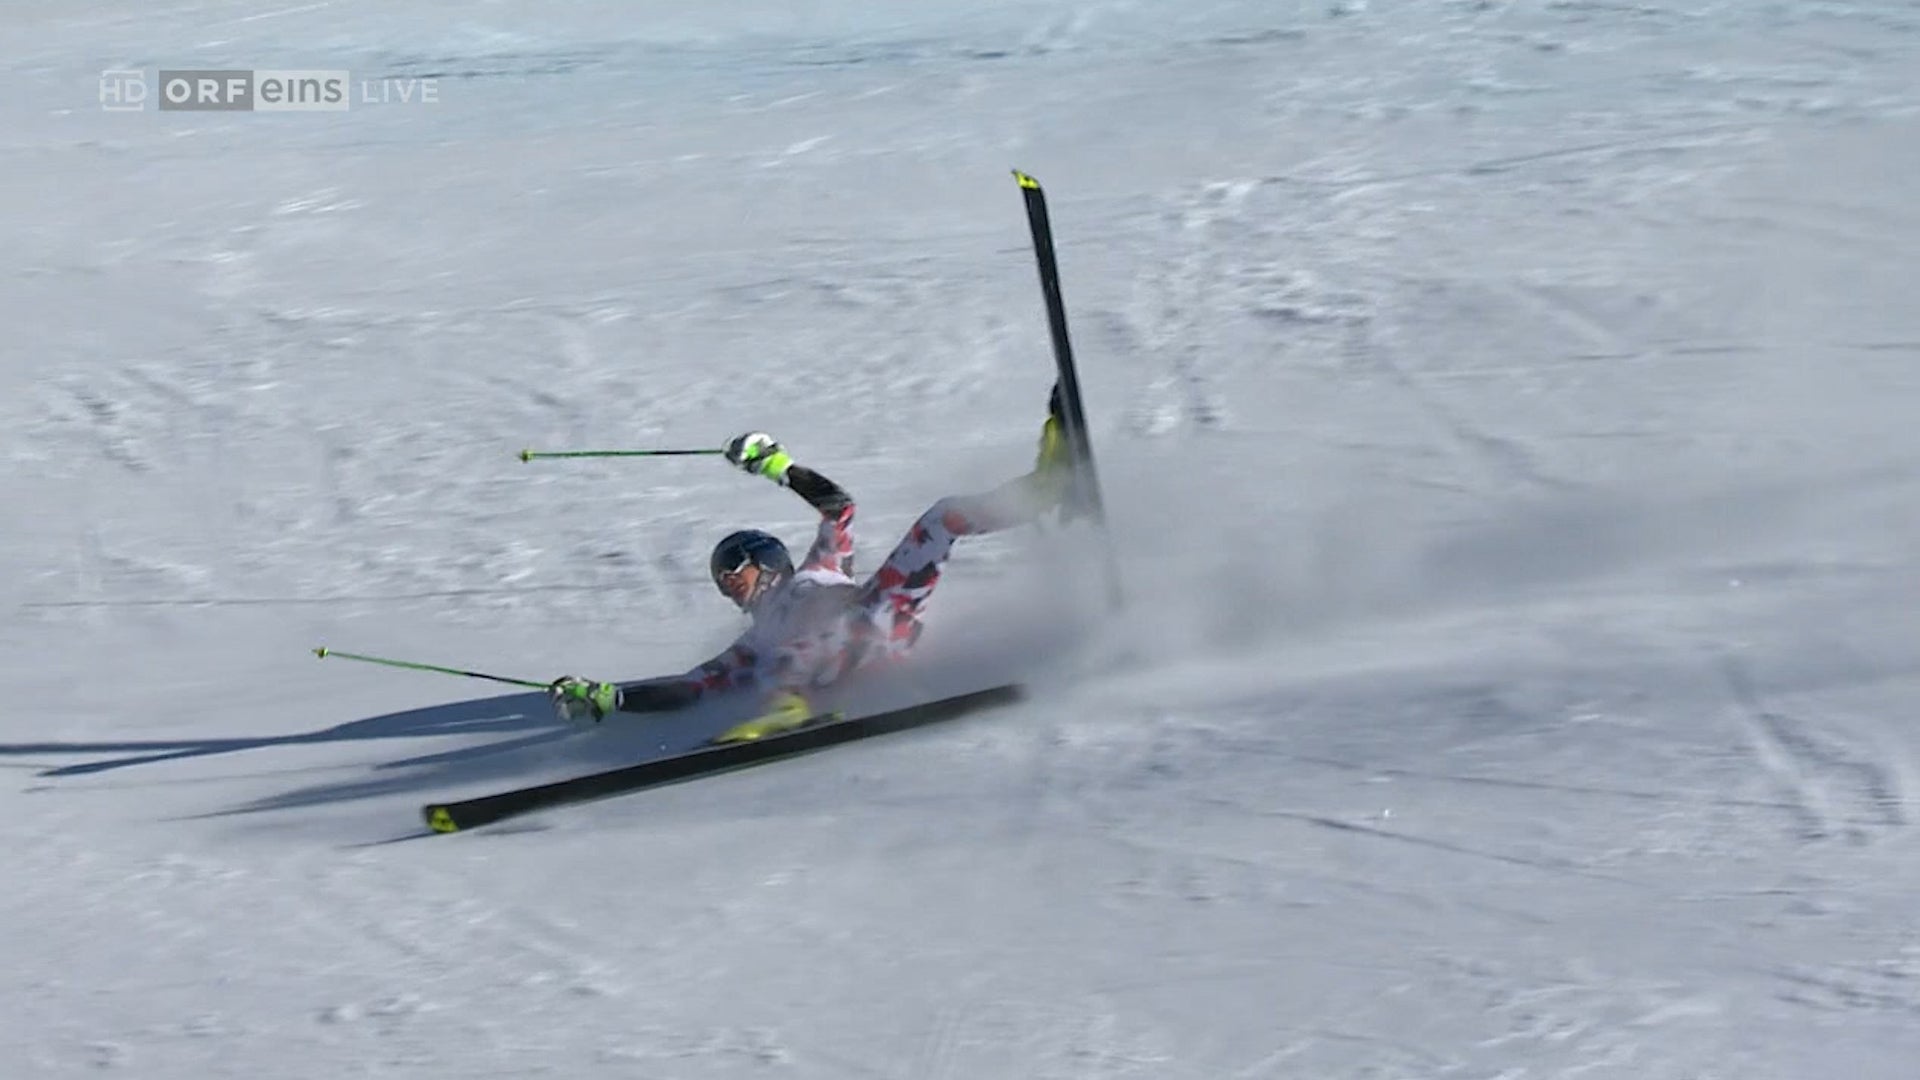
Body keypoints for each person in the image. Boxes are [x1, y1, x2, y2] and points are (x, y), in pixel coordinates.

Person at [548, 389, 1078, 743]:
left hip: (880, 615)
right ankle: (789, 708)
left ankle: (1042, 491)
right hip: (837, 663)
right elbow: (691, 687)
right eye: (720, 579)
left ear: (765, 561)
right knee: (774, 658)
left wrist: (780, 467)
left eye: (734, 568)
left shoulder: (818, 568)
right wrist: (613, 697)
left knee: (941, 518)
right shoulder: (752, 644)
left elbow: (839, 508)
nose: (728, 584)